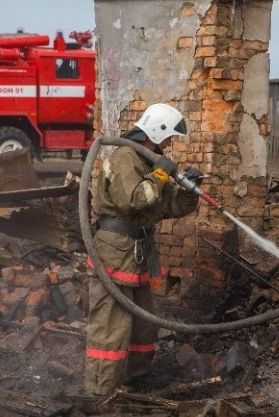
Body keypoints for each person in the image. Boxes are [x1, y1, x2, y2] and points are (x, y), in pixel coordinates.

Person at [85, 103, 205, 396]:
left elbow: (164, 207)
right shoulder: (125, 158)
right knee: (111, 326)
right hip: (115, 251)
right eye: (168, 137)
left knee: (142, 325)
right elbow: (134, 199)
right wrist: (161, 176)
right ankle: (100, 393)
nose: (169, 143)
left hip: (137, 252)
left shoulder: (147, 162)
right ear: (157, 130)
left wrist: (188, 193)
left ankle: (133, 381)